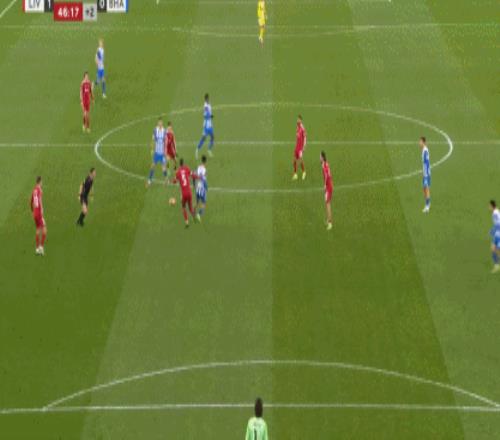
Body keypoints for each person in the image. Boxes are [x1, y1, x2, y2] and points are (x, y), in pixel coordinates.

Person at [175, 159, 196, 228]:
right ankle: (194, 216)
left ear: (179, 164)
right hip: (189, 193)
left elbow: (175, 181)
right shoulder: (187, 168)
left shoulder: (178, 172)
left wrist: (170, 181)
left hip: (184, 194)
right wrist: (198, 177)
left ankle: (187, 222)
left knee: (183, 207)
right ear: (183, 163)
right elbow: (192, 175)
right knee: (190, 208)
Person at [147, 117, 168, 187]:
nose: (160, 123)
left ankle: (166, 180)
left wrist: (165, 152)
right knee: (152, 166)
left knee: (163, 167)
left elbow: (166, 142)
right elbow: (153, 140)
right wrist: (152, 149)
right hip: (156, 153)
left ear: (162, 123)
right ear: (157, 123)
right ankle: (149, 181)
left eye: (161, 122)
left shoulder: (164, 131)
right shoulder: (155, 130)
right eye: (159, 122)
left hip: (162, 153)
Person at [30, 176, 47, 256]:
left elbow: (30, 202)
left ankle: (37, 249)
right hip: (39, 213)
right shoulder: (39, 190)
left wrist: (32, 211)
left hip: (35, 213)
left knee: (38, 229)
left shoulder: (34, 190)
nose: (42, 183)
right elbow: (39, 199)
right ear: (40, 181)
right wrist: (42, 208)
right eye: (42, 182)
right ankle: (41, 247)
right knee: (44, 230)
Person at [196, 94, 214, 159]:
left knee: (212, 137)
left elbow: (209, 112)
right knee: (204, 138)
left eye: (208, 98)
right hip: (206, 124)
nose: (208, 99)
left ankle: (209, 149)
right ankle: (197, 150)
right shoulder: (205, 105)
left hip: (210, 124)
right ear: (205, 99)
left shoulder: (209, 104)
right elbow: (205, 115)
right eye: (207, 98)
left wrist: (210, 116)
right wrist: (210, 116)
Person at [320, 151, 333, 231]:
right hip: (330, 185)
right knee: (327, 203)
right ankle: (328, 219)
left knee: (328, 204)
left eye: (320, 157)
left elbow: (326, 175)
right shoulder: (326, 163)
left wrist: (325, 185)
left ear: (322, 157)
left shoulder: (324, 166)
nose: (319, 158)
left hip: (328, 187)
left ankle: (330, 223)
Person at [292, 115, 307, 181]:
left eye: (298, 119)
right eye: (297, 119)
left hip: (300, 148)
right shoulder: (297, 126)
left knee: (300, 160)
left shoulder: (302, 128)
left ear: (301, 120)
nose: (297, 120)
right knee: (294, 160)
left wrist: (304, 147)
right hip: (297, 147)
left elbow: (305, 137)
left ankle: (304, 172)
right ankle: (295, 174)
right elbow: (297, 137)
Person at [195, 155, 208, 222]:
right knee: (204, 203)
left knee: (197, 203)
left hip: (197, 188)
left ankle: (193, 212)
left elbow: (195, 175)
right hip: (202, 189)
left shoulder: (198, 167)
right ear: (205, 161)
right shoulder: (205, 170)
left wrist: (194, 184)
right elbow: (204, 180)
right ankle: (199, 214)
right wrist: (206, 187)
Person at [420, 136, 431, 213]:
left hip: (426, 173)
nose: (419, 143)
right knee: (424, 189)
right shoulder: (424, 150)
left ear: (424, 142)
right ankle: (427, 204)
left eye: (420, 142)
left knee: (426, 189)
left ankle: (427, 206)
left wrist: (426, 173)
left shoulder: (425, 151)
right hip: (425, 172)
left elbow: (427, 162)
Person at [489, 200, 500, 273]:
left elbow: (498, 224)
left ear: (492, 206)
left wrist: (492, 230)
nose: (488, 207)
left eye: (489, 206)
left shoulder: (495, 213)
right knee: (493, 248)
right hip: (497, 234)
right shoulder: (496, 212)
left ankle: (497, 265)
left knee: (496, 249)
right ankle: (497, 266)